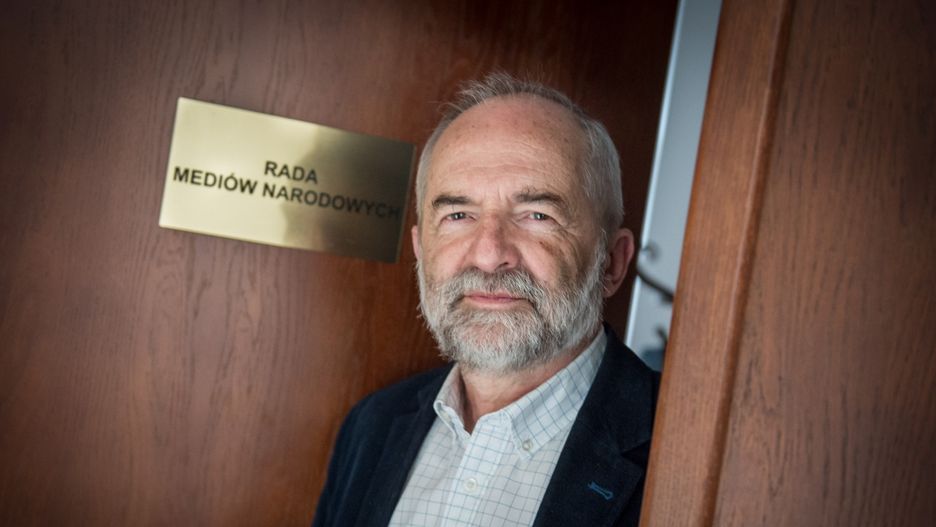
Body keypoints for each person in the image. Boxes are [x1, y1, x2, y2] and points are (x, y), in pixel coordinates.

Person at [312, 73, 659, 527]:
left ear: (611, 262)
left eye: (537, 215)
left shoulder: (680, 444)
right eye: (459, 215)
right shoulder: (372, 426)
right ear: (421, 251)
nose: (490, 255)